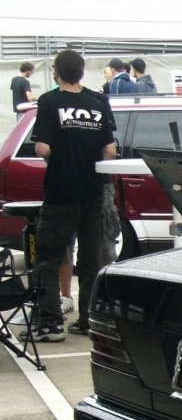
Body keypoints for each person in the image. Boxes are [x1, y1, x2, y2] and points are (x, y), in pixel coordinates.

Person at [24, 50, 116, 342]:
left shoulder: (50, 101)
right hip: (95, 191)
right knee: (91, 259)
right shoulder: (99, 101)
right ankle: (89, 321)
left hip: (62, 191)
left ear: (57, 73)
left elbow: (42, 147)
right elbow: (110, 150)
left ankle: (50, 324)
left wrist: (62, 160)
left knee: (48, 258)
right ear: (81, 72)